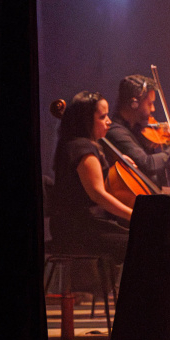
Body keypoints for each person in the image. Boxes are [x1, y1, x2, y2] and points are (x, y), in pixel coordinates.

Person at [50, 91, 132, 276]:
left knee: (143, 240)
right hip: (80, 229)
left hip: (75, 226)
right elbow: (98, 194)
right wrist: (133, 215)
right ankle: (144, 301)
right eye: (102, 117)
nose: (108, 121)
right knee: (144, 242)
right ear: (85, 120)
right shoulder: (82, 149)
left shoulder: (76, 145)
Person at [106, 75, 170, 187]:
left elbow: (158, 176)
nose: (153, 109)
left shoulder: (137, 131)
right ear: (134, 104)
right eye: (150, 104)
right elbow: (147, 164)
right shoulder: (116, 132)